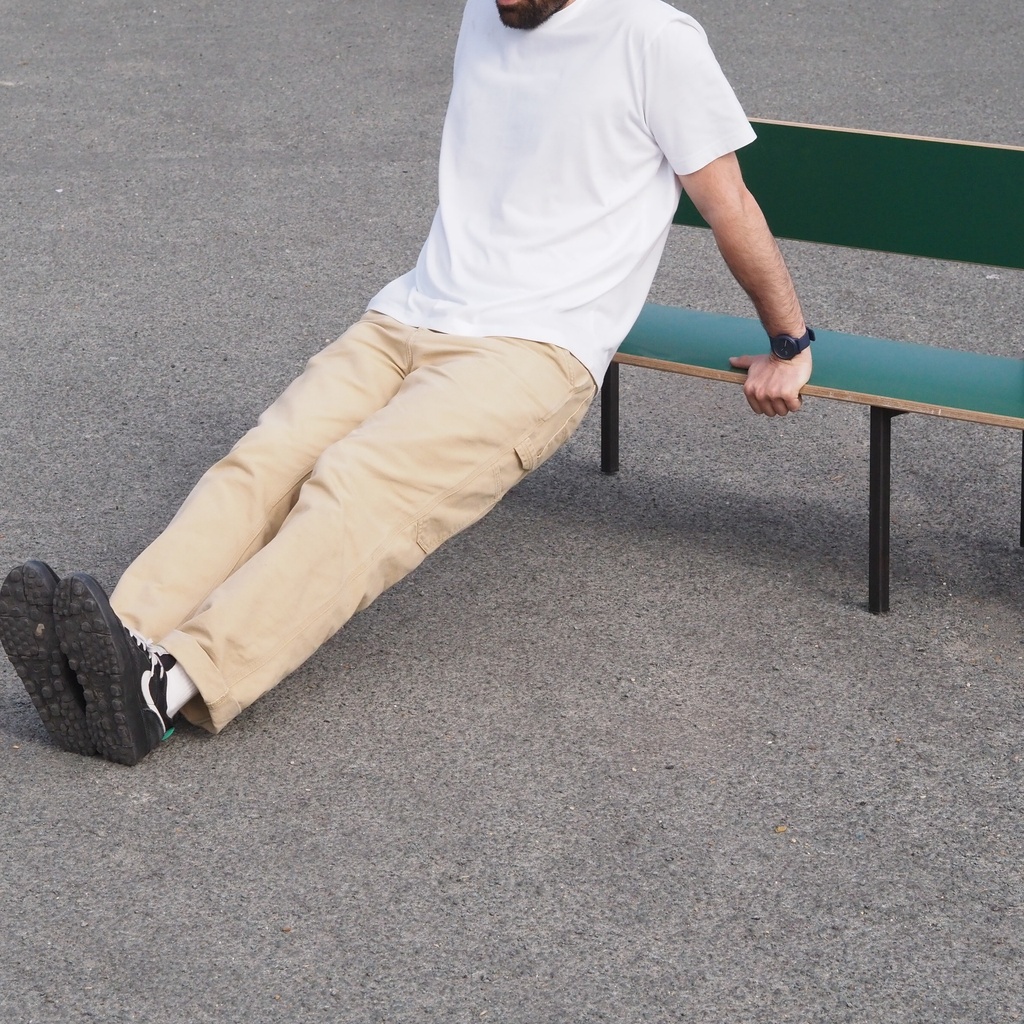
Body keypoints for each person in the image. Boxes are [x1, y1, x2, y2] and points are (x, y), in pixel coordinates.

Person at [0, 0, 812, 765]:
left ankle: (170, 687)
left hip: (533, 349)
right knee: (264, 461)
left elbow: (730, 203)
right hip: (411, 313)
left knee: (355, 488)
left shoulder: (656, 40)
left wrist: (789, 341)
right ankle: (111, 648)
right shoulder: (488, 12)